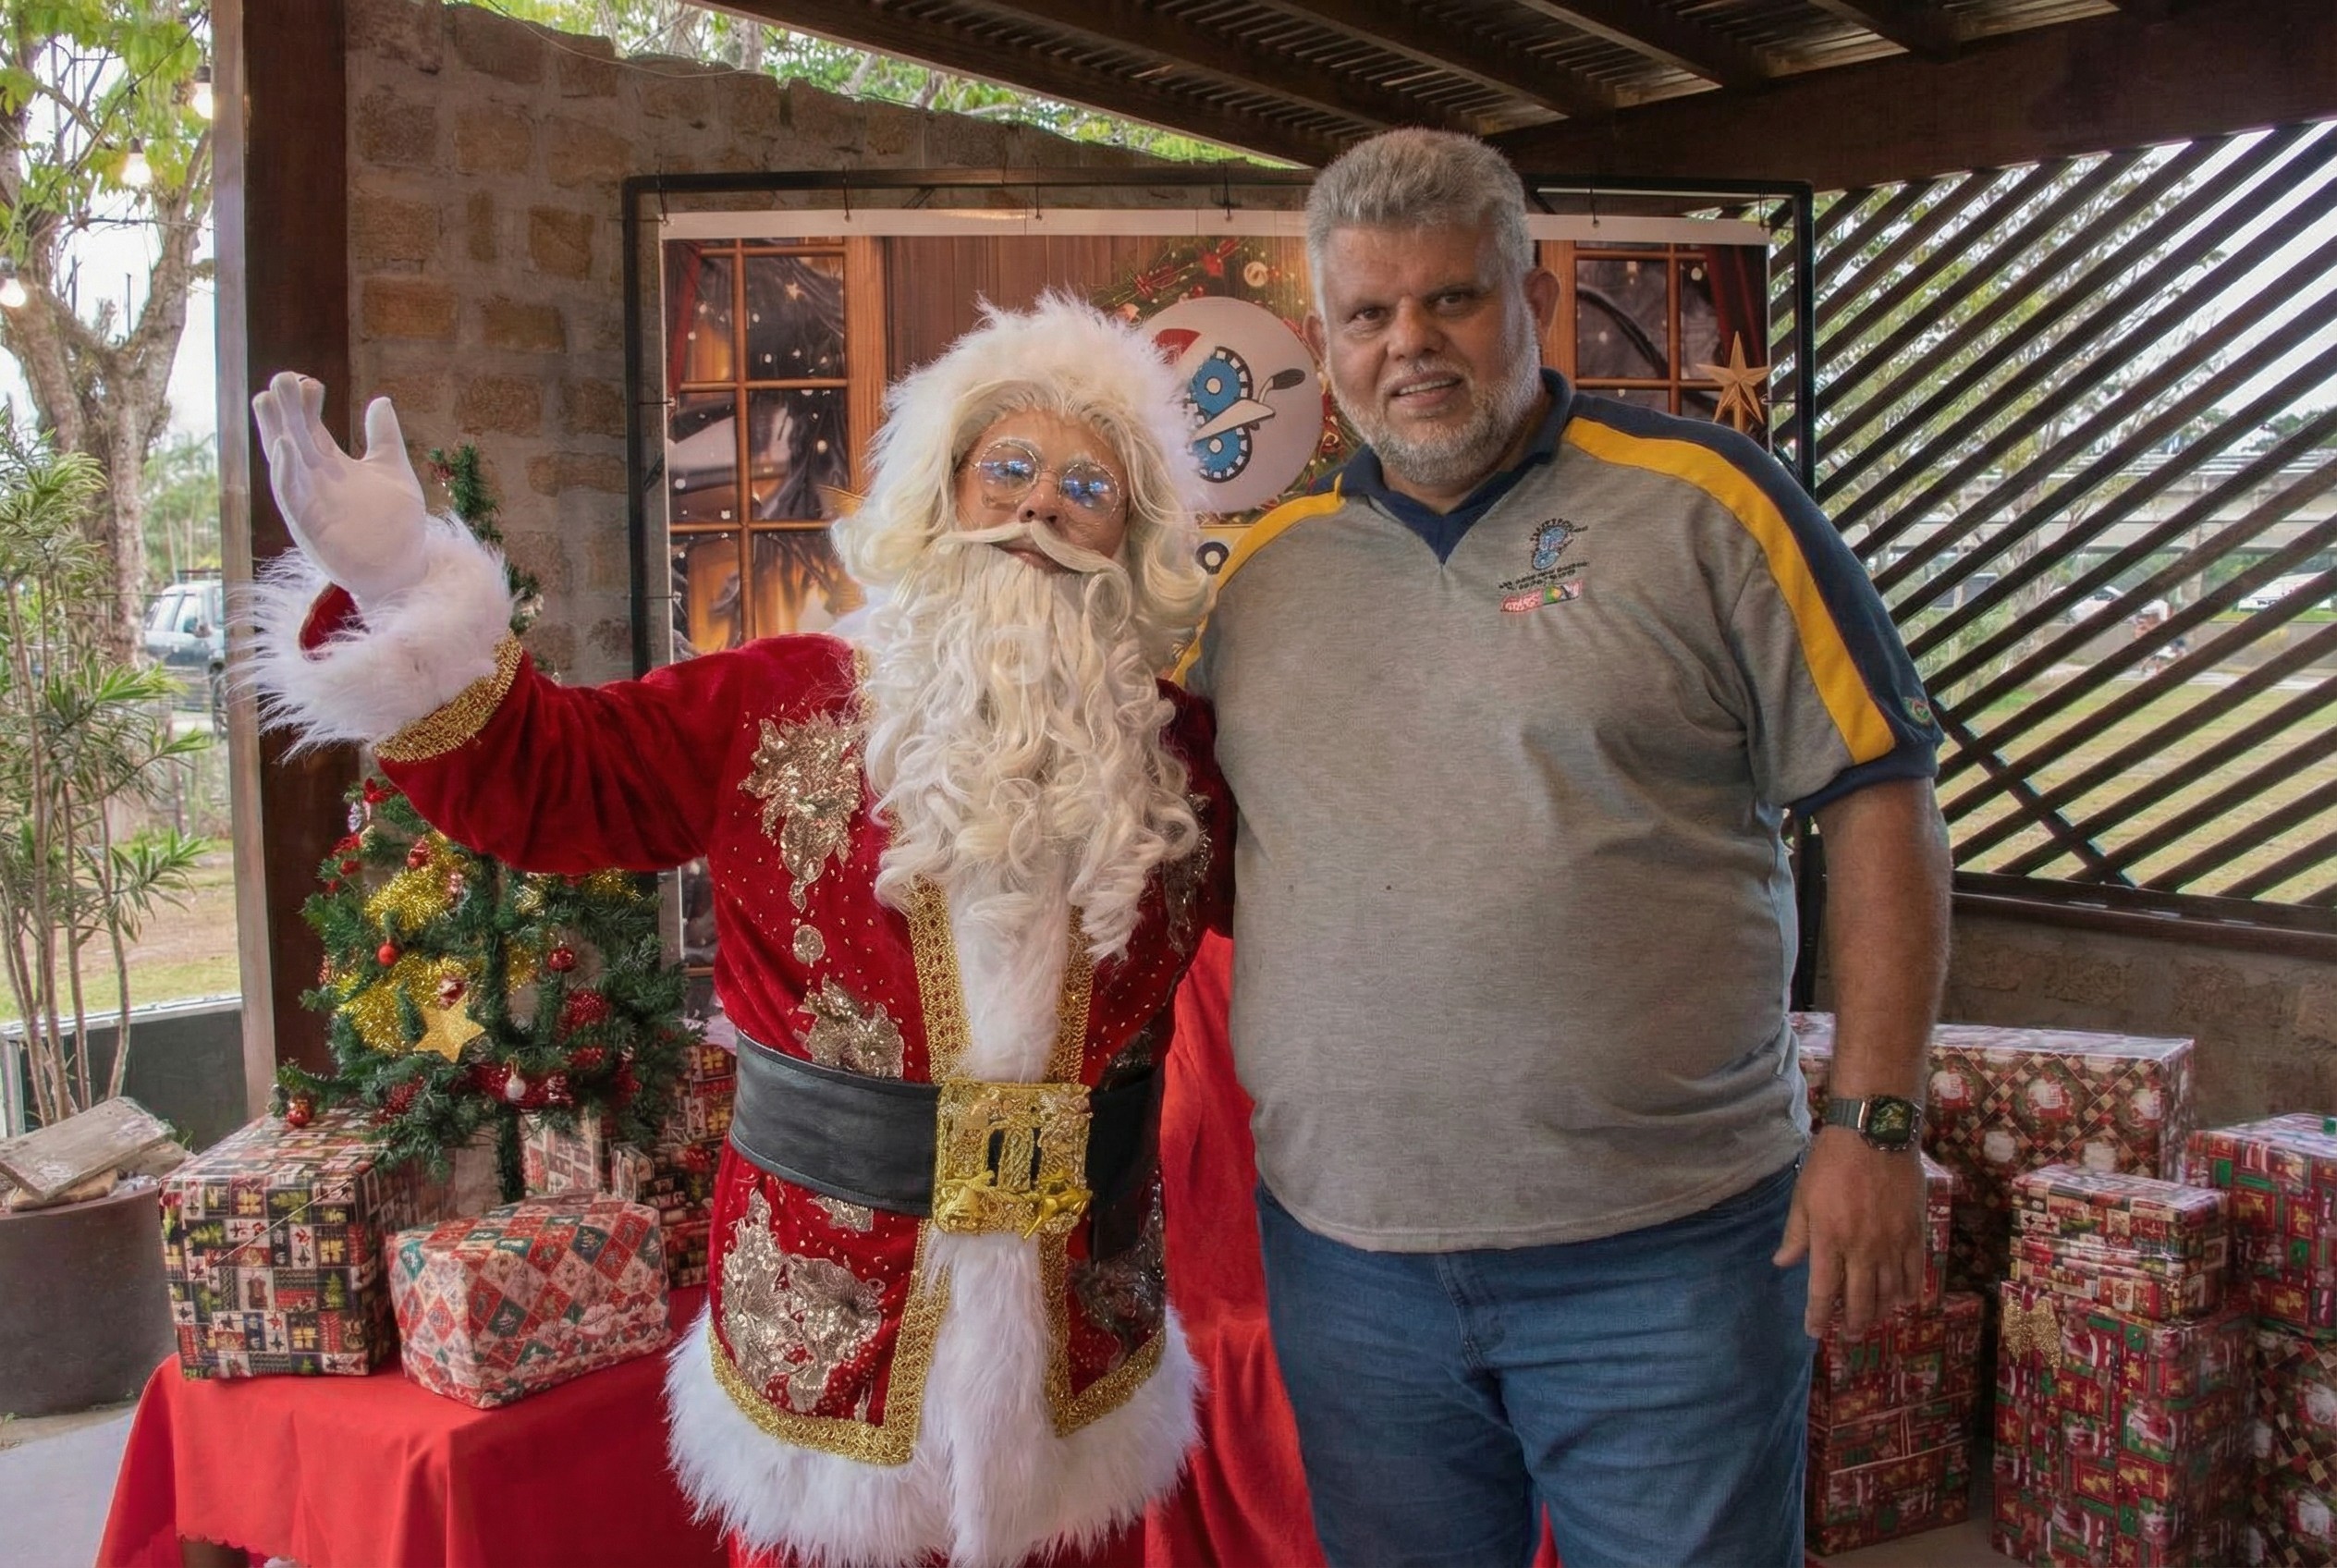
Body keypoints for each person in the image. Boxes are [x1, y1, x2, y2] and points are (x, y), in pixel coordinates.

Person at [246, 296, 1229, 1568]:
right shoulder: (773, 702)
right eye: (1012, 468)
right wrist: (398, 585)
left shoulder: (1177, 761)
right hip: (826, 1341)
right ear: (943, 492)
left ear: (1131, 535)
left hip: (1078, 1339)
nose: (1041, 506)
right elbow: (549, 778)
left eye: (1087, 485)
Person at [1179, 129, 1952, 1567]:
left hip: (1666, 1259)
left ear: (1531, 306)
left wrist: (1875, 1123)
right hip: (1351, 1266)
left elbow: (1883, 798)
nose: (1411, 344)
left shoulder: (1708, 505)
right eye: (1368, 314)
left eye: (1453, 299)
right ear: (1327, 342)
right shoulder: (1263, 583)